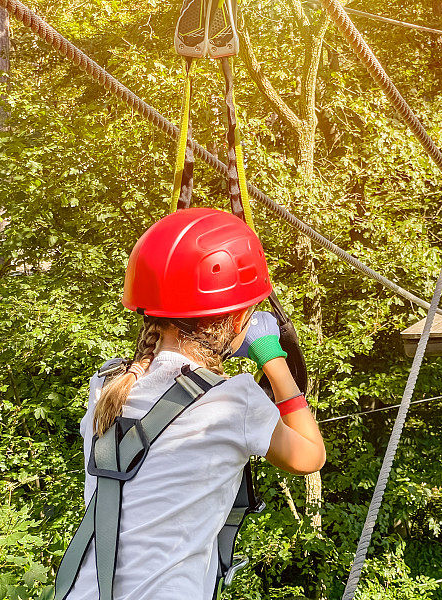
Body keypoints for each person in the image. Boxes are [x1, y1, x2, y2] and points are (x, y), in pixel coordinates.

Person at [65, 208, 325, 599]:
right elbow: (310, 457)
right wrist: (273, 361)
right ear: (239, 321)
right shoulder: (234, 400)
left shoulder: (105, 383)